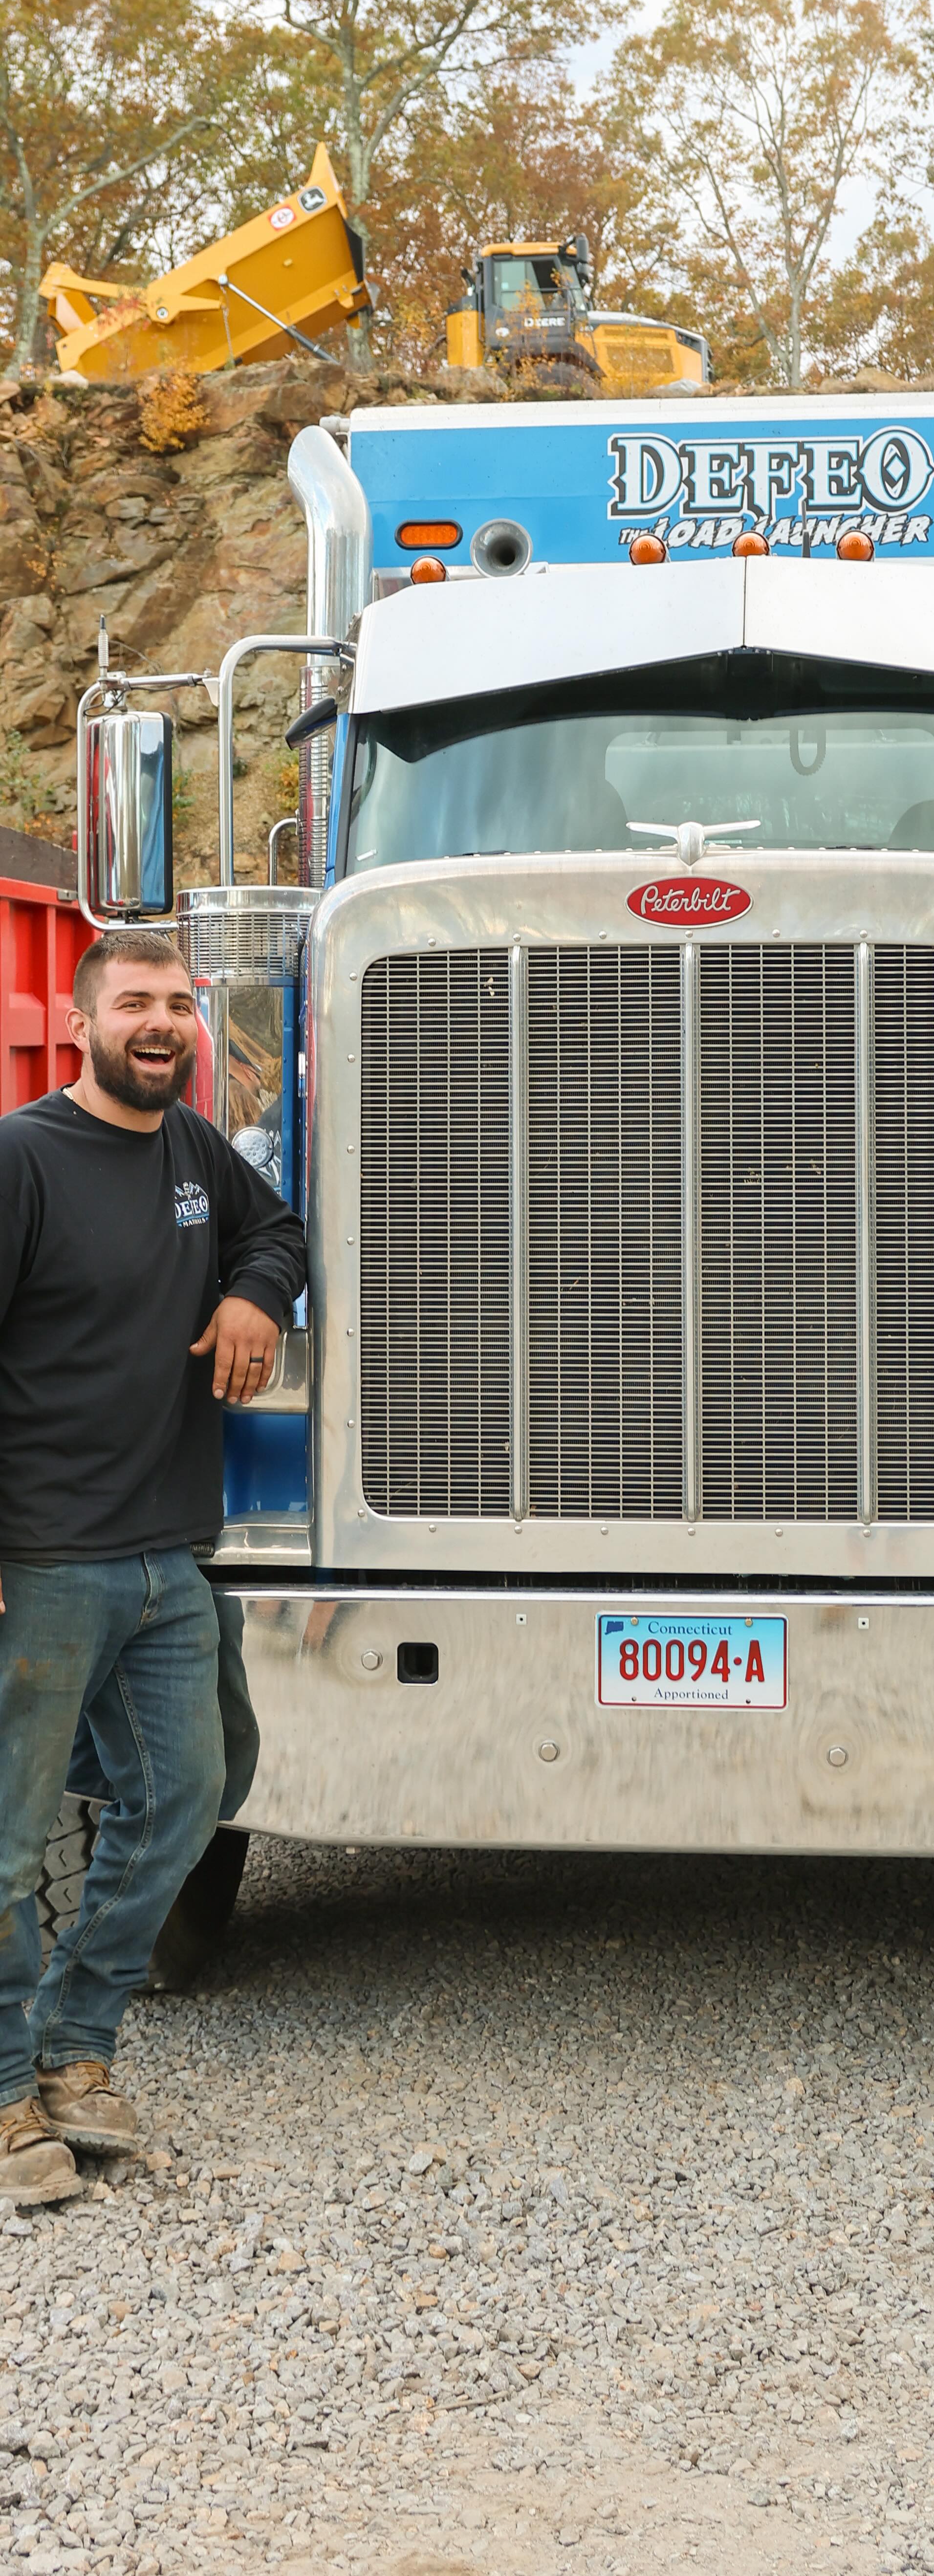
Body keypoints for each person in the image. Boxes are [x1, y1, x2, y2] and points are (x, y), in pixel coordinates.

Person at [0, 930, 305, 2208]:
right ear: (82, 1023)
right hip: (46, 1558)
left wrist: (254, 1295)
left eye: (180, 1002)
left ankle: (76, 2049)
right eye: (135, 1002)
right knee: (11, 1841)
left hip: (163, 1555)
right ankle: (11, 2094)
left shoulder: (194, 1153)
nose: (164, 1021)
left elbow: (277, 1230)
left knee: (194, 1788)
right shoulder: (23, 1158)